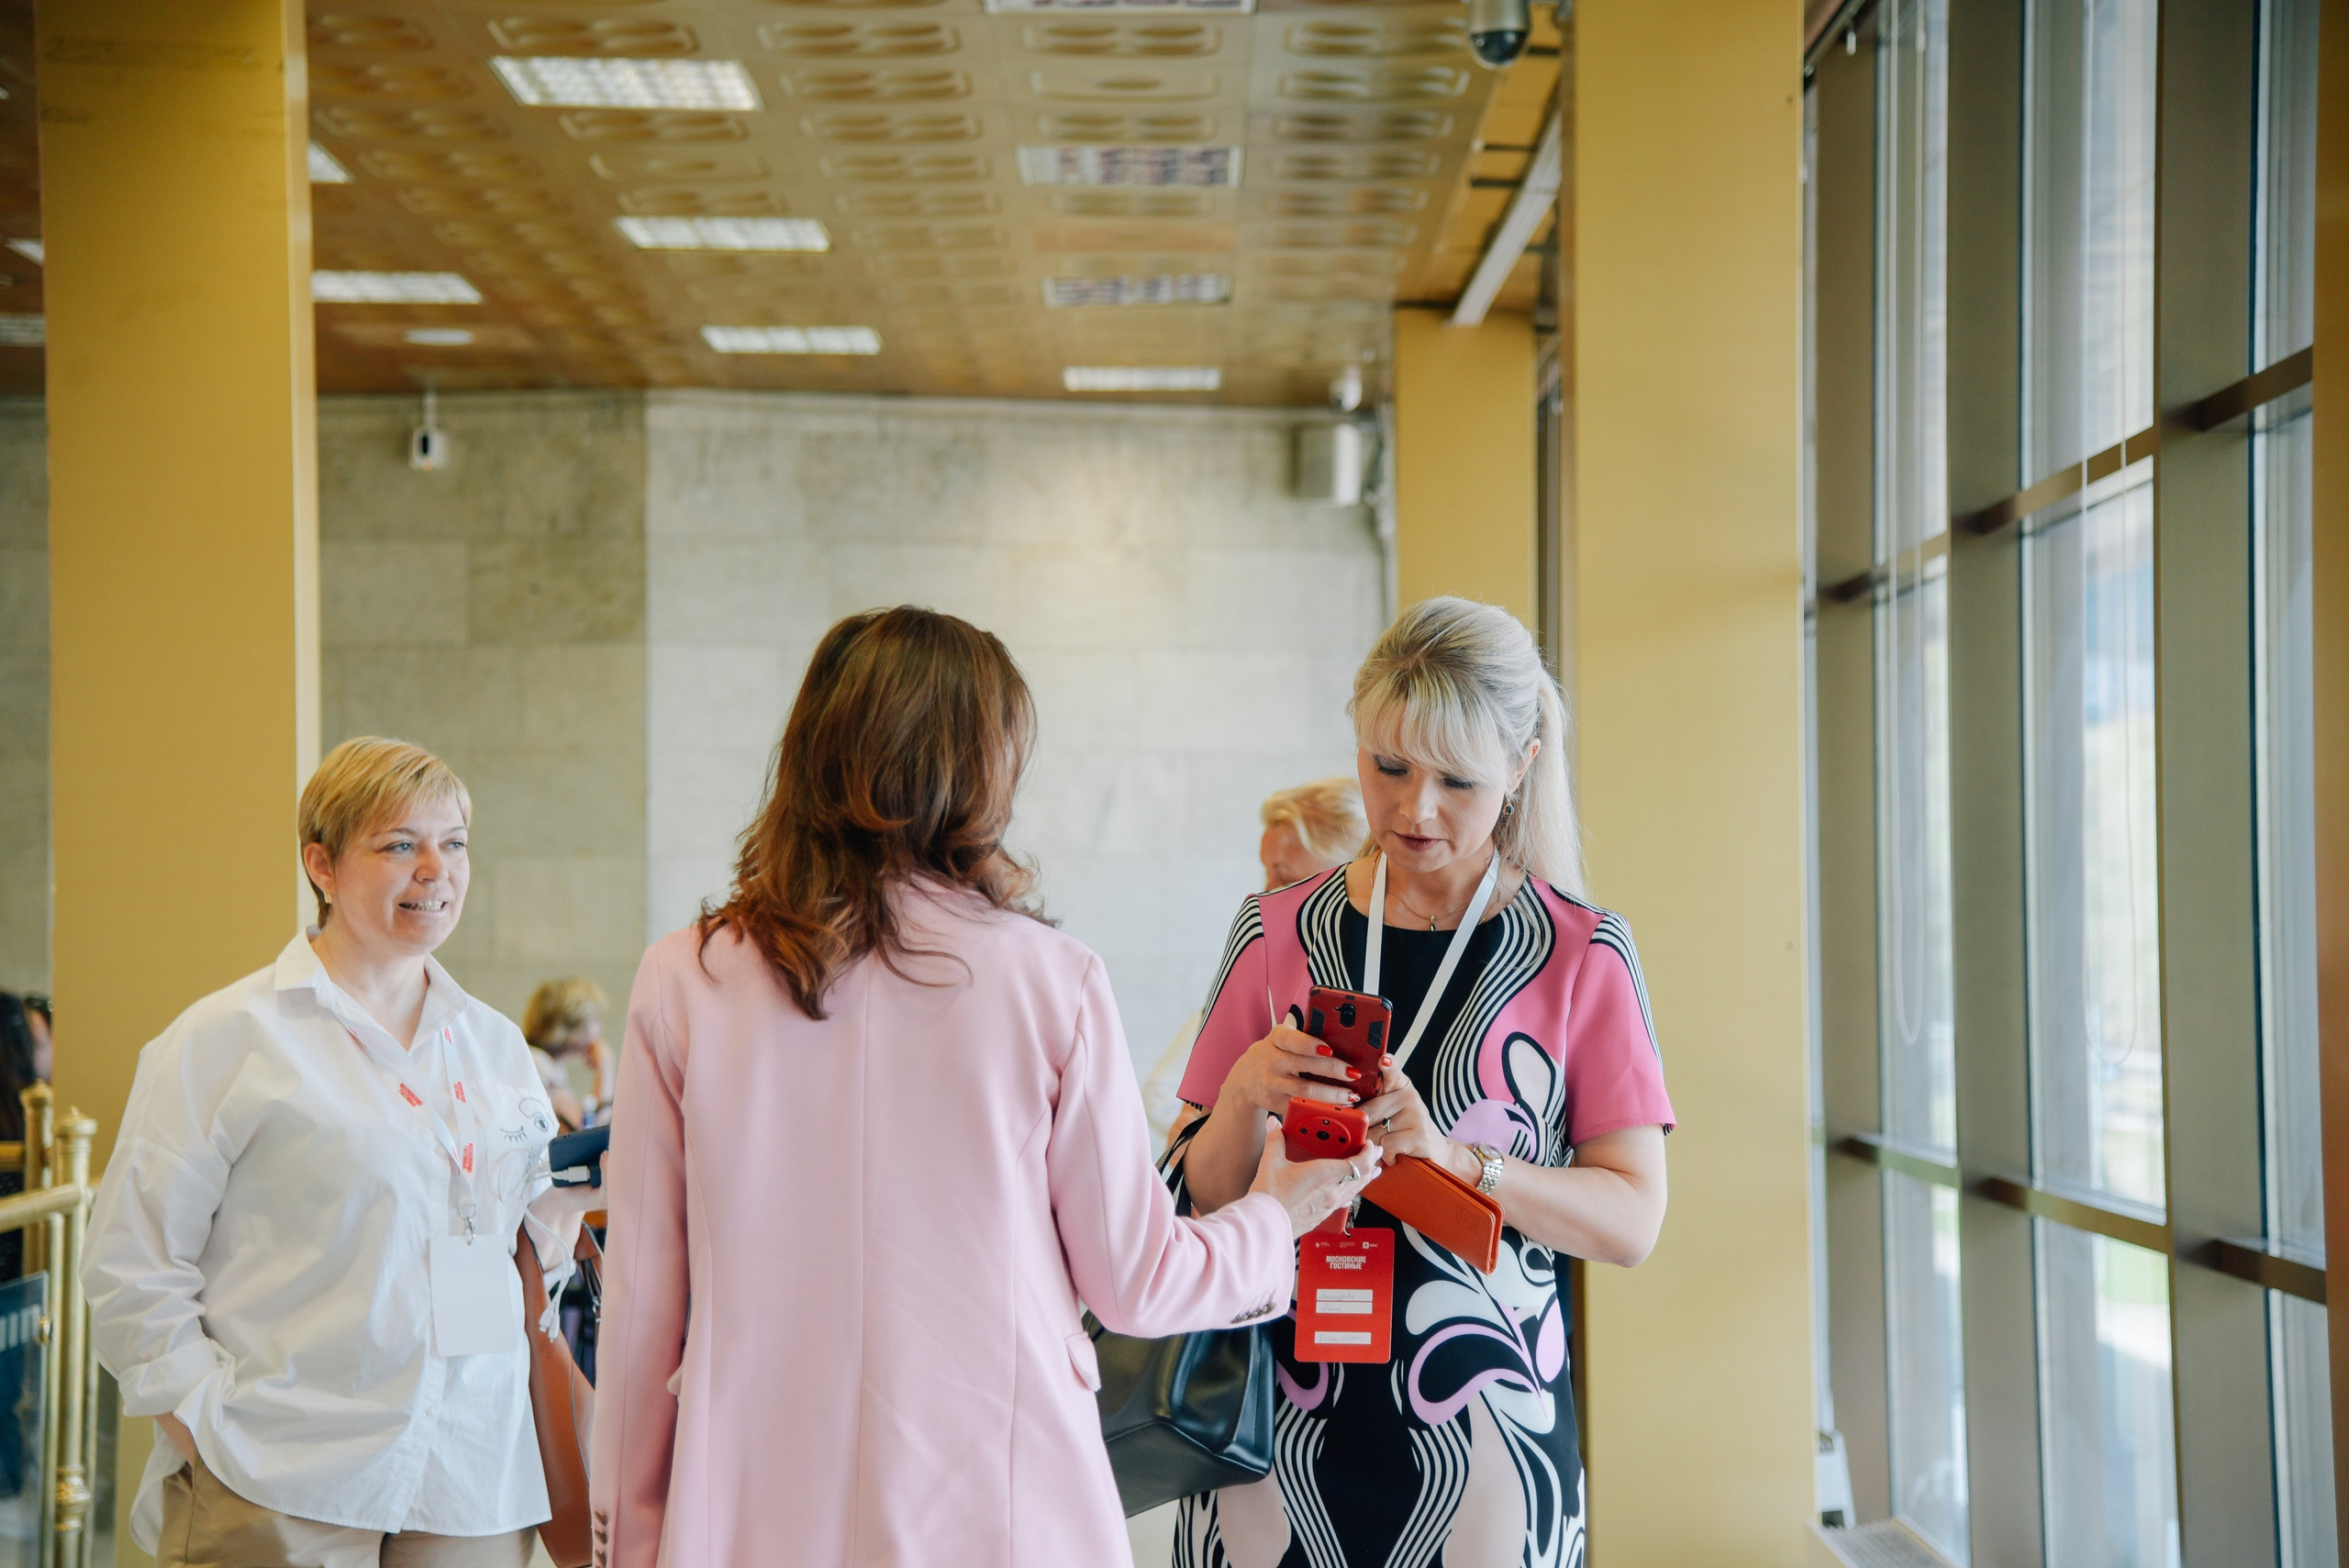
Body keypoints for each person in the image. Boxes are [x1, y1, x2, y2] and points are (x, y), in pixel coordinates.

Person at [590, 606, 1379, 1568]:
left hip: (754, 1507)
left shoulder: (684, 978)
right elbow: (1135, 1280)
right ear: (980, 767)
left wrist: (624, 1543)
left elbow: (639, 1308)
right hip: (1005, 1506)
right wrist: (1275, 1212)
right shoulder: (1053, 978)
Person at [1166, 596, 1676, 1567]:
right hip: (1266, 1421)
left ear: (1522, 766)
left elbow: (1631, 1219)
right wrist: (1239, 1094)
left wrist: (1455, 1158)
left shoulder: (1579, 954)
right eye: (1388, 766)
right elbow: (1202, 1190)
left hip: (1488, 1438)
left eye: (1457, 780)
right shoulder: (1275, 929)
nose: (1414, 809)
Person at [83, 738, 600, 1568]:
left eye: (455, 843)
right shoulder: (228, 1038)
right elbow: (130, 1259)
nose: (436, 869)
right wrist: (201, 1416)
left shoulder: (498, 1047)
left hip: (471, 1471)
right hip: (285, 1472)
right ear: (321, 864)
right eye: (400, 844)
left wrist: (561, 1210)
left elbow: (515, 1251)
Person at [1142, 777, 1367, 1146]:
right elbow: (1164, 1095)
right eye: (1267, 871)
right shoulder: (1260, 972)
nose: (1264, 894)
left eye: (1287, 878)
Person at [521, 978, 612, 1131]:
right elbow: (588, 1134)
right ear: (570, 1024)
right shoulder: (540, 1065)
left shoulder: (545, 1062)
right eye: (595, 1020)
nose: (600, 1029)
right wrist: (606, 1065)